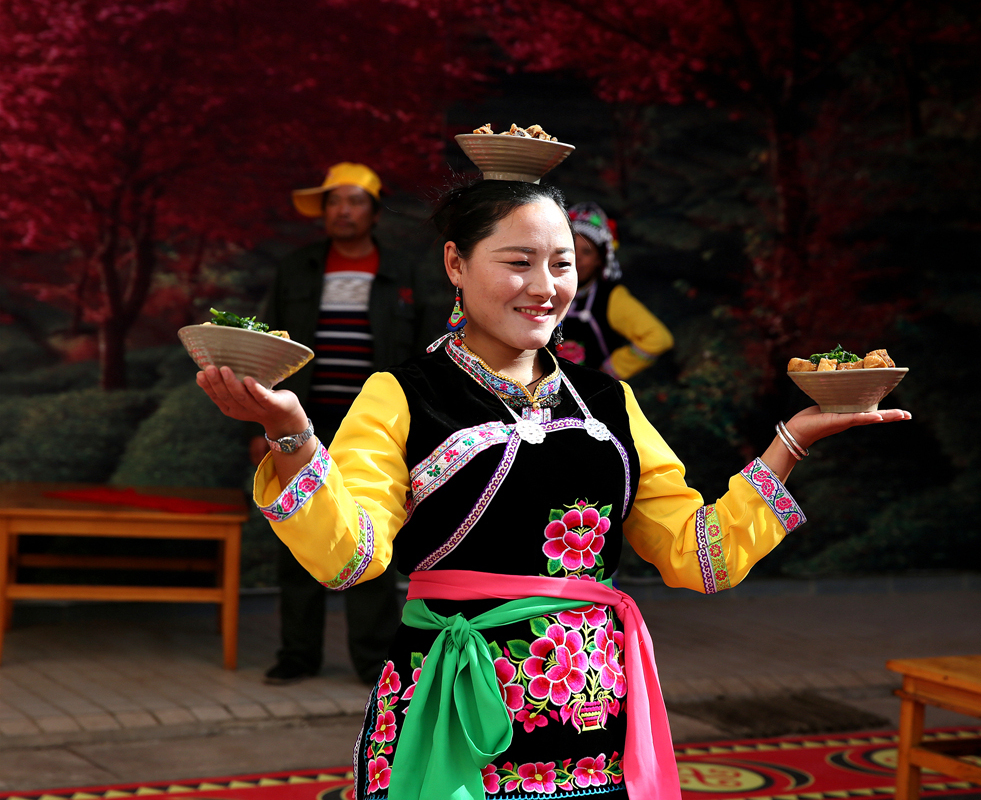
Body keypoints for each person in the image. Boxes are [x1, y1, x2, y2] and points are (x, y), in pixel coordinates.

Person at [198, 178, 909, 800]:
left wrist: (791, 444)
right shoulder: (402, 394)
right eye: (518, 262)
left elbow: (701, 558)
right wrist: (293, 436)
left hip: (594, 720)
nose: (545, 287)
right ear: (455, 262)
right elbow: (350, 557)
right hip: (455, 706)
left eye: (563, 264)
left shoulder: (608, 401)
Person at [253, 162, 442, 686]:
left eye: (354, 200)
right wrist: (262, 427)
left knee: (369, 532)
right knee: (296, 532)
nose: (343, 210)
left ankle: (371, 659)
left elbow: (426, 352)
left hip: (375, 427)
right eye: (334, 201)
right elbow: (265, 351)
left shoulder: (402, 272)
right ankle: (298, 655)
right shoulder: (297, 268)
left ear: (374, 212)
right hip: (302, 421)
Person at [559, 202, 674, 379]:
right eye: (571, 248)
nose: (576, 258)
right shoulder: (544, 289)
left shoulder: (610, 297)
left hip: (590, 399)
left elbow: (658, 338)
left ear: (600, 260)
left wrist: (611, 370)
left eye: (587, 252)